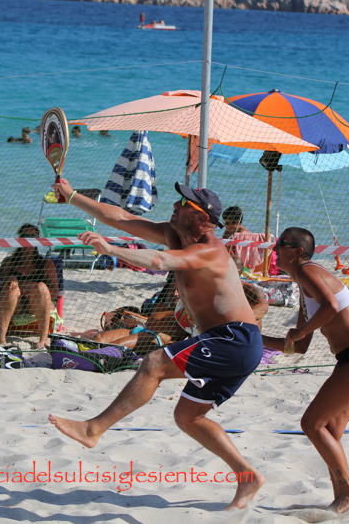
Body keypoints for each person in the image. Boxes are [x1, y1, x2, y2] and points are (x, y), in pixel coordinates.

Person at [48, 179, 265, 510]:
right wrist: (73, 196)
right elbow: (121, 218)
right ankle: (248, 476)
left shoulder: (209, 250)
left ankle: (93, 429)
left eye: (185, 203)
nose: (176, 205)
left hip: (233, 339)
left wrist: (112, 250)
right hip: (227, 341)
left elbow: (159, 261)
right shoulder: (175, 234)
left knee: (153, 364)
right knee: (188, 417)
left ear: (203, 218)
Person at [262, 227, 349, 515]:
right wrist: (255, 338)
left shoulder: (307, 270)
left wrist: (301, 329)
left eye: (280, 244)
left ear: (298, 251)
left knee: (311, 423)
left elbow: (330, 306)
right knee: (330, 430)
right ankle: (341, 498)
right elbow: (299, 347)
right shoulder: (303, 285)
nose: (274, 249)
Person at [92, 271, 187, 353]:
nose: (175, 294)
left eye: (179, 290)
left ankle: (96, 358)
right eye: (173, 289)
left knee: (112, 348)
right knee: (98, 338)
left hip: (154, 339)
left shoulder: (189, 313)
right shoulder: (161, 303)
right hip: (141, 330)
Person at [0, 224, 58, 349]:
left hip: (38, 303)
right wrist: (9, 279)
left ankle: (43, 339)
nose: (28, 239)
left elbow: (55, 292)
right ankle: (1, 338)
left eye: (32, 236)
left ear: (38, 240)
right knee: (11, 288)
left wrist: (32, 288)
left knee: (41, 287)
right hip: (16, 304)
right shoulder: (9, 262)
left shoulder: (46, 264)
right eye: (25, 236)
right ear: (19, 239)